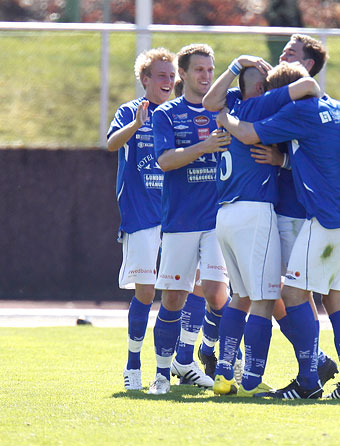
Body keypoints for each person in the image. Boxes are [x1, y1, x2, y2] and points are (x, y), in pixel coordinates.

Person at [217, 60, 340, 400]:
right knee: (336, 300)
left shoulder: (300, 112)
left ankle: (308, 382)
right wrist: (282, 161)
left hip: (327, 219)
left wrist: (225, 117)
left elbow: (248, 134)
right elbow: (319, 155)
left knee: (292, 294)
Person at [211, 62, 323, 397]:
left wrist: (234, 73)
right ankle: (251, 381)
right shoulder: (262, 104)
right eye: (266, 83)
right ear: (260, 89)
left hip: (224, 215)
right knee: (264, 299)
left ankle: (224, 374)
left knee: (241, 297)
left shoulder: (232, 104)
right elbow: (305, 88)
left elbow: (209, 103)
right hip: (254, 212)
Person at [147, 43, 231, 395]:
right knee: (173, 299)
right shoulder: (166, 114)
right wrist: (203, 148)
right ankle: (163, 374)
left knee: (216, 292)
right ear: (183, 74)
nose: (206, 76)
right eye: (199, 70)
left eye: (210, 70)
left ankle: (217, 358)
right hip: (181, 219)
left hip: (217, 219)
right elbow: (165, 161)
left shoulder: (225, 111)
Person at [107, 47, 175, 391]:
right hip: (142, 215)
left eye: (171, 75)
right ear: (145, 79)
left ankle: (177, 364)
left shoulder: (180, 113)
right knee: (146, 292)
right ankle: (133, 363)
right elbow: (111, 144)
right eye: (161, 75)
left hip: (179, 215)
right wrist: (135, 125)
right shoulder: (129, 111)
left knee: (187, 288)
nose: (168, 81)